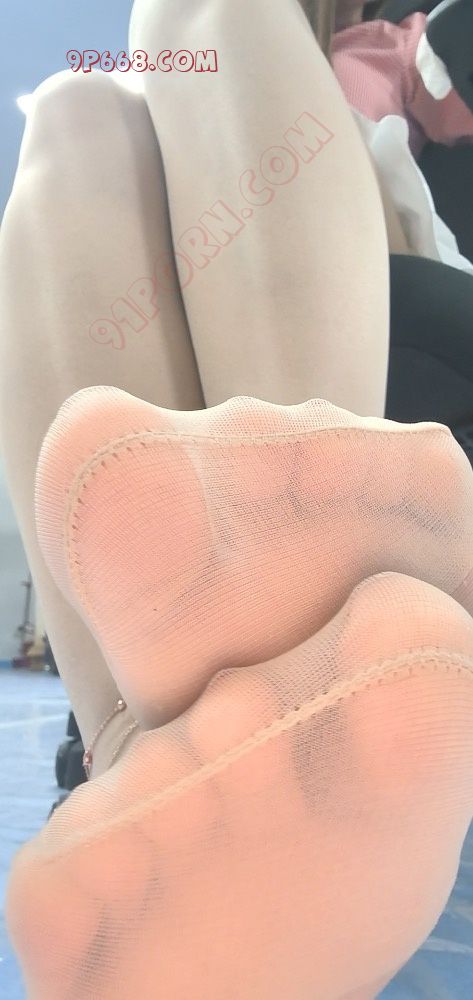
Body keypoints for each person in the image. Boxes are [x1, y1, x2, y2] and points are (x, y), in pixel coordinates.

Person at [1, 2, 473, 998]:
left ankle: (283, 642)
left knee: (200, 8)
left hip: (413, 347)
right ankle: (161, 738)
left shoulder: (404, 50)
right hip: (259, 399)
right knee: (72, 111)